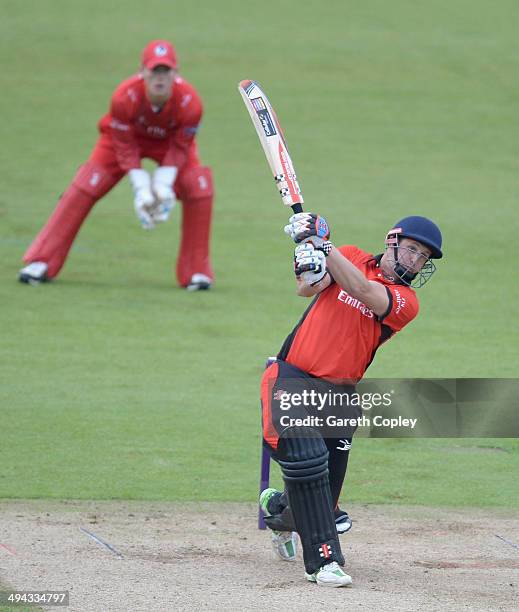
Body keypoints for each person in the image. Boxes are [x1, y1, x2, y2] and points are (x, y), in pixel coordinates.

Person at [259, 213, 443, 587]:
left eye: (422, 257)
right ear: (391, 241)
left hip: (340, 397)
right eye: (410, 249)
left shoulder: (406, 301)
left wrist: (322, 245)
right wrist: (308, 258)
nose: (414, 260)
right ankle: (324, 562)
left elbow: (361, 289)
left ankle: (277, 509)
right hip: (292, 378)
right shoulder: (352, 255)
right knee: (309, 463)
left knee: (321, 499)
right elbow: (307, 288)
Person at [19, 40, 214, 290]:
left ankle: (197, 272)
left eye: (166, 71)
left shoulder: (190, 103)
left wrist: (163, 186)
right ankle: (41, 261)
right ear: (142, 71)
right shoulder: (124, 97)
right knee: (86, 184)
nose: (160, 78)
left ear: (176, 74)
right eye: (155, 70)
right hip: (122, 141)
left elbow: (181, 146)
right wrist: (142, 188)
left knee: (199, 187)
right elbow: (124, 146)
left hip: (170, 145)